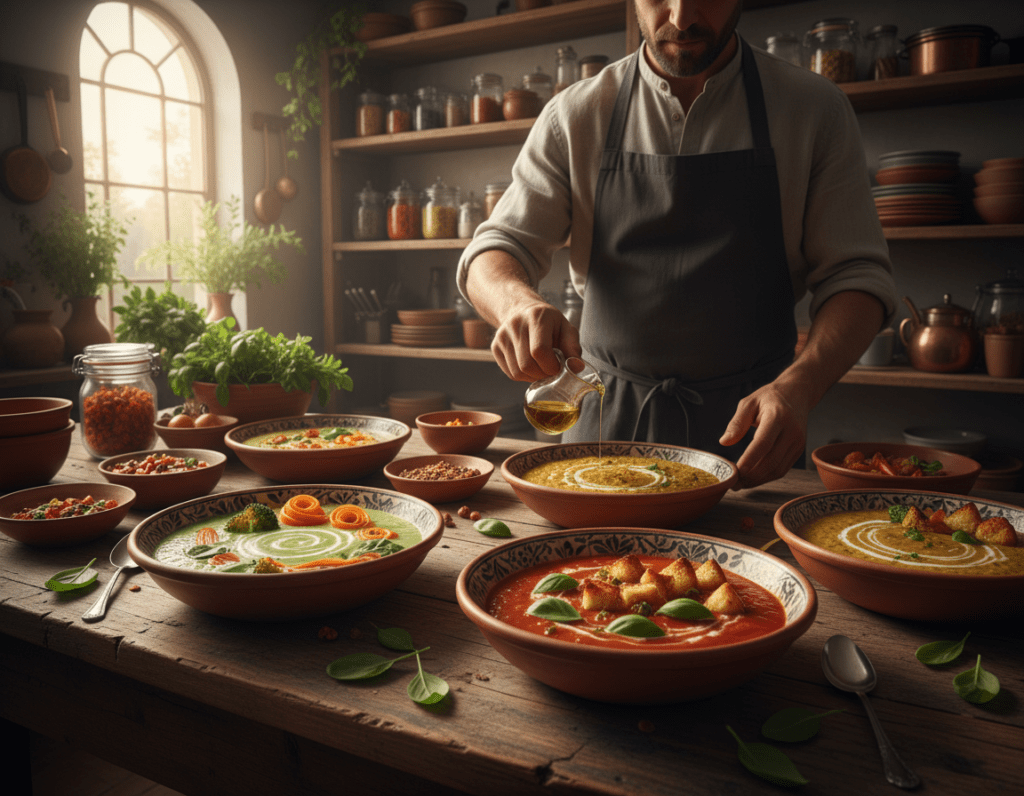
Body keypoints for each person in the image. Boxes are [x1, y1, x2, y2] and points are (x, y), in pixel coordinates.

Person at [457, 0, 897, 490]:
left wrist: (802, 385)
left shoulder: (813, 108)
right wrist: (517, 304)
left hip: (749, 433)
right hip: (603, 424)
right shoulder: (576, 113)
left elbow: (857, 277)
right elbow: (497, 247)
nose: (682, 17)